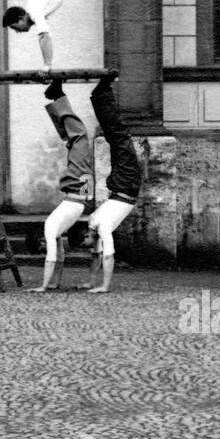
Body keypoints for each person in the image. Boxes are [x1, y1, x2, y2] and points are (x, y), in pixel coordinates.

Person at [27, 79, 93, 292]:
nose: (44, 249)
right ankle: (57, 97)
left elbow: (54, 257)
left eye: (40, 247)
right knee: (76, 140)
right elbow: (59, 256)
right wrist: (53, 283)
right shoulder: (54, 229)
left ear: (40, 240)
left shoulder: (50, 228)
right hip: (79, 190)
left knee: (78, 138)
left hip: (79, 190)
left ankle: (57, 97)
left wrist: (45, 286)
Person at [78, 77, 142, 293]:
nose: (89, 246)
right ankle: (101, 93)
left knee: (115, 137)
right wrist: (104, 286)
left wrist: (90, 282)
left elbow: (96, 256)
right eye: (88, 244)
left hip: (121, 184)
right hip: (127, 184)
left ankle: (100, 94)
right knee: (118, 136)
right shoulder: (100, 227)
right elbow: (108, 255)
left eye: (86, 242)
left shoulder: (94, 223)